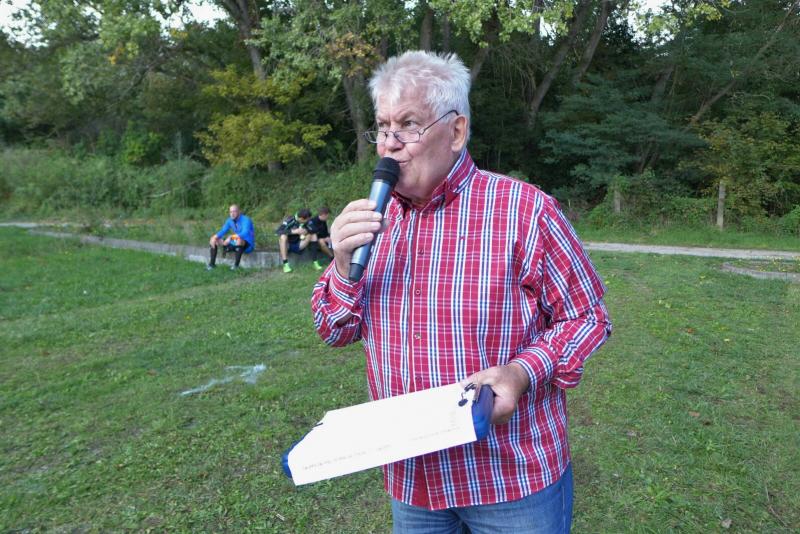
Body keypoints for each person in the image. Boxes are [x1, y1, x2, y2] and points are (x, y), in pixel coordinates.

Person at [310, 51, 612, 533]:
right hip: (414, 482)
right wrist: (344, 267)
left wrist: (522, 371)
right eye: (383, 128)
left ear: (455, 131)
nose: (390, 144)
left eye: (408, 125)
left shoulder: (524, 211)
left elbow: (587, 318)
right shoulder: (371, 221)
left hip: (509, 476)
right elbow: (334, 331)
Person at [207, 204, 255, 270]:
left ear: (239, 212)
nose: (232, 214)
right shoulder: (229, 220)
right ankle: (212, 265)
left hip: (247, 245)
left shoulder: (246, 220)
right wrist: (214, 237)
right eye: (231, 212)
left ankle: (236, 266)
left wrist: (231, 237)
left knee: (239, 240)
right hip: (235, 243)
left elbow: (245, 233)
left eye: (234, 211)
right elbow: (223, 231)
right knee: (214, 240)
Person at [275, 208, 311, 273]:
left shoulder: (307, 220)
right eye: (307, 220)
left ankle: (314, 261)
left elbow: (314, 228)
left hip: (298, 244)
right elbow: (278, 231)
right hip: (287, 245)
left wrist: (306, 231)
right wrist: (294, 231)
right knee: (283, 236)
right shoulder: (290, 220)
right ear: (301, 219)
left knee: (310, 235)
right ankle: (285, 264)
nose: (308, 221)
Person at [305, 206, 334, 271]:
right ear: (324, 215)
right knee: (321, 241)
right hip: (313, 240)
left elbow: (325, 232)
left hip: (323, 238)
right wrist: (324, 238)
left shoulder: (323, 221)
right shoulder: (313, 221)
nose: (328, 217)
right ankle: (332, 258)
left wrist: (327, 237)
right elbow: (313, 232)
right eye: (327, 215)